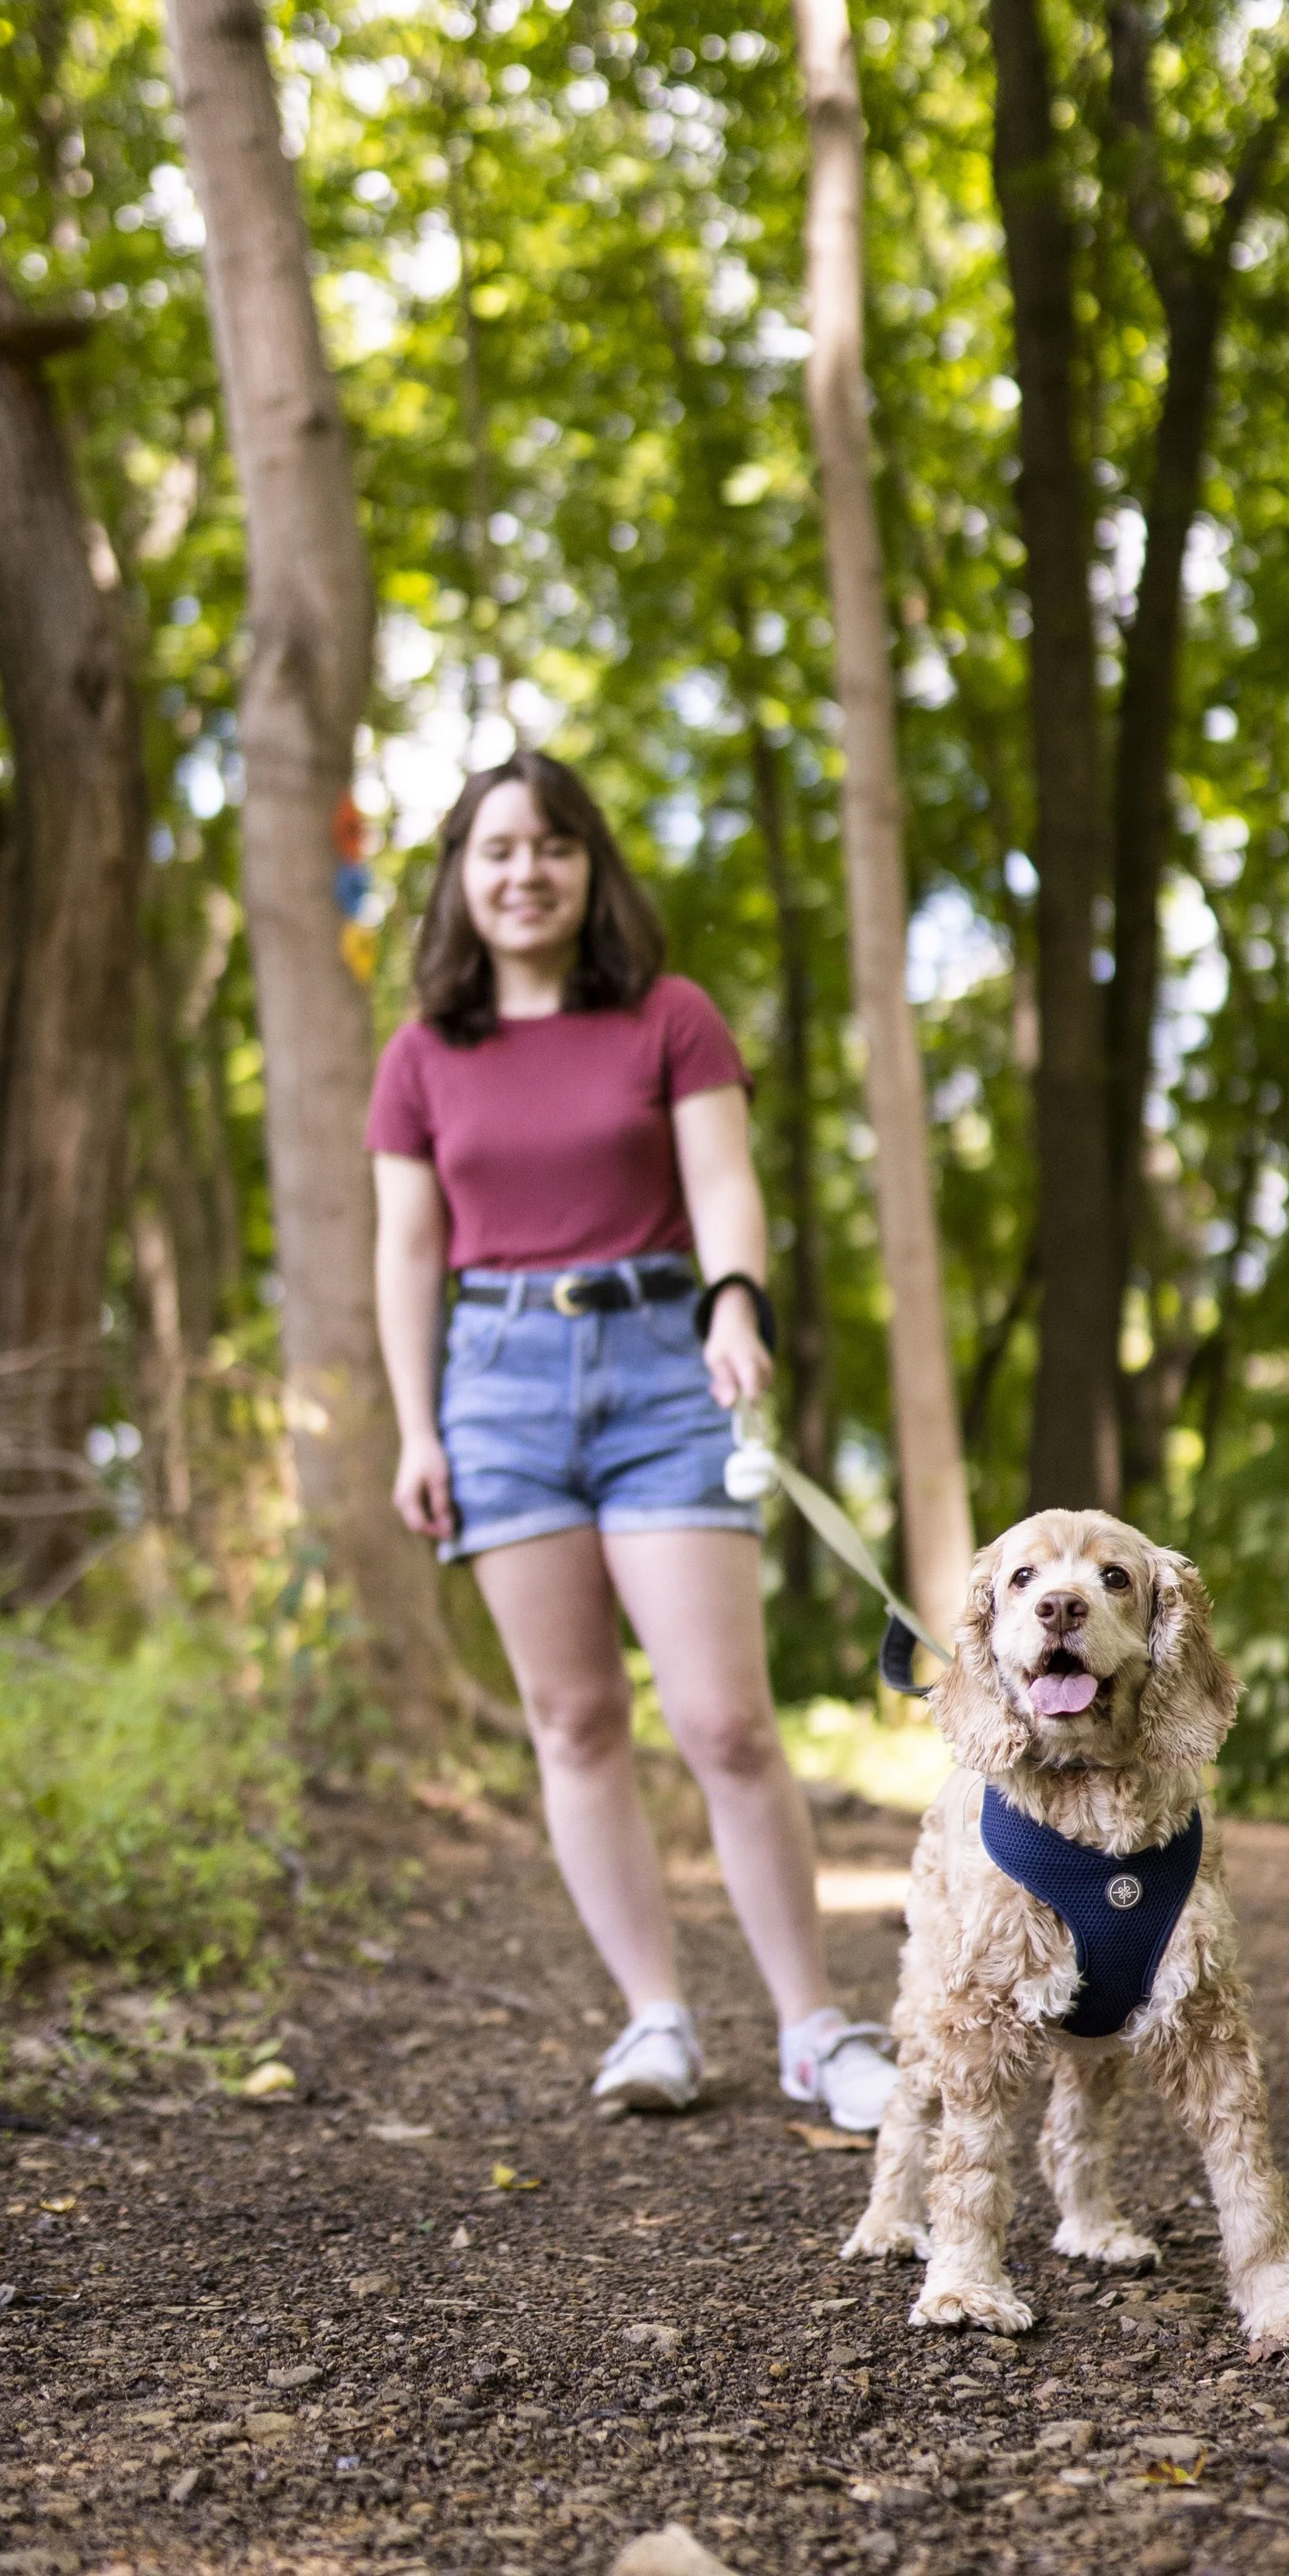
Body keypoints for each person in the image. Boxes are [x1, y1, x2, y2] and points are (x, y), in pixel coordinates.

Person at [367, 748, 896, 2131]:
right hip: (496, 1384)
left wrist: (735, 1302)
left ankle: (813, 2029)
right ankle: (653, 2016)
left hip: (668, 1366)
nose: (524, 870)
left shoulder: (669, 1016)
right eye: (495, 849)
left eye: (551, 845)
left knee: (724, 1721)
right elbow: (405, 1248)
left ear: (589, 866)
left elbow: (724, 1180)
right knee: (576, 1717)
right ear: (460, 880)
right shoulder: (423, 1055)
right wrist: (417, 1427)